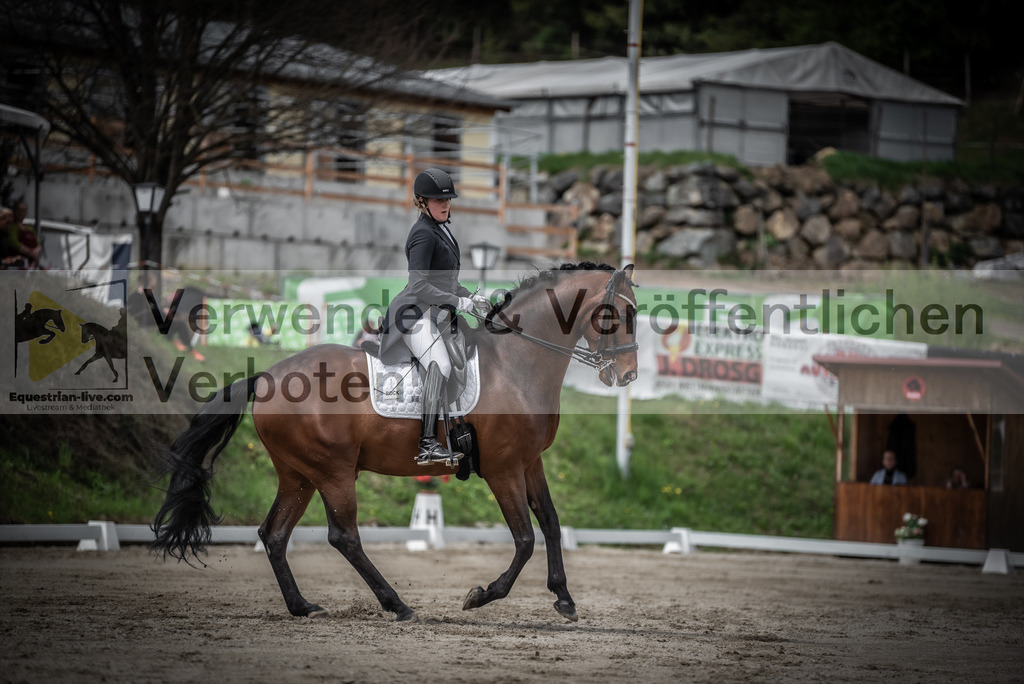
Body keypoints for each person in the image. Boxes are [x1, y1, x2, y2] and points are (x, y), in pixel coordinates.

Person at [378, 168, 488, 465]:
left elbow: (447, 283)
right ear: (422, 202)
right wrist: (456, 301)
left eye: (448, 199)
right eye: (439, 200)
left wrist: (470, 298)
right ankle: (427, 442)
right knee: (439, 363)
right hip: (413, 314)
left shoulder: (442, 229)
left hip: (435, 312)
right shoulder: (423, 234)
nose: (446, 204)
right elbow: (419, 286)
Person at [7, 200, 41, 269]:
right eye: (19, 210)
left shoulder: (30, 228)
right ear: (14, 211)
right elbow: (13, 243)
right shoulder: (12, 227)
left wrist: (36, 251)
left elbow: (39, 244)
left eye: (23, 210)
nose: (21, 212)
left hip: (31, 265)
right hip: (17, 265)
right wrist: (30, 252)